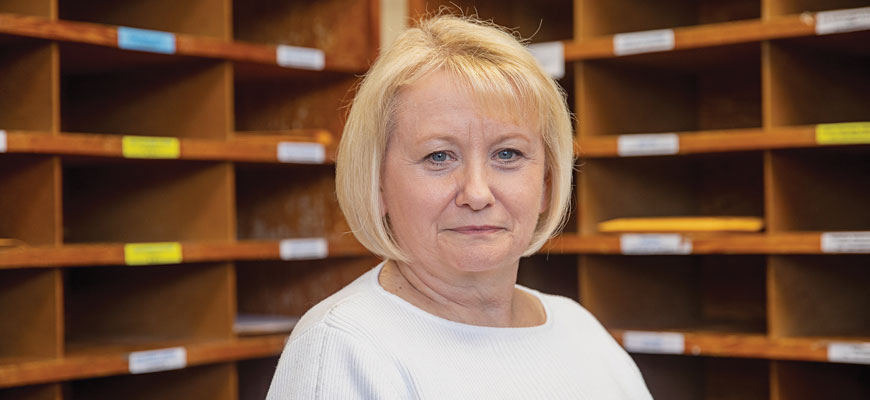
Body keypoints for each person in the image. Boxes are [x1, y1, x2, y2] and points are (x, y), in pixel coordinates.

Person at [267, 14, 652, 399]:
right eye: (439, 157)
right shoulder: (344, 348)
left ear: (547, 183)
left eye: (507, 153)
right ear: (377, 183)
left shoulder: (580, 331)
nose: (477, 193)